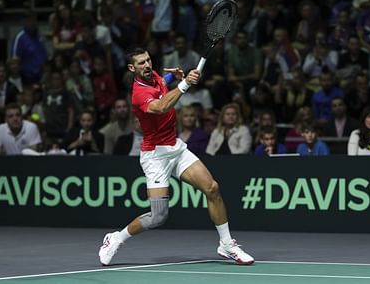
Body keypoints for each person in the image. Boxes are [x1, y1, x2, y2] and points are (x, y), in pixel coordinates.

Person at [98, 47, 254, 266]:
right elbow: (161, 106)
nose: (147, 65)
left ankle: (227, 244)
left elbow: (163, 83)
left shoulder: (154, 76)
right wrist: (186, 83)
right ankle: (116, 238)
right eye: (141, 63)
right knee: (158, 216)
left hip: (176, 148)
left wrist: (175, 76)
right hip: (155, 156)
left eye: (149, 60)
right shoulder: (138, 94)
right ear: (132, 68)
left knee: (212, 188)